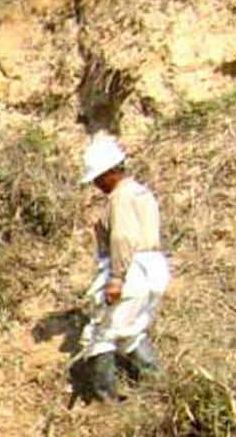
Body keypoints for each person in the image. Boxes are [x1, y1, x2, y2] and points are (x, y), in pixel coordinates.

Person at [71, 133, 169, 405]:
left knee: (101, 334)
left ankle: (106, 401)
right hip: (154, 267)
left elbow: (122, 238)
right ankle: (161, 386)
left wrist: (116, 279)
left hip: (132, 269)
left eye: (98, 178)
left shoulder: (120, 197)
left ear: (110, 172)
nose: (96, 184)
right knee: (130, 331)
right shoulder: (142, 193)